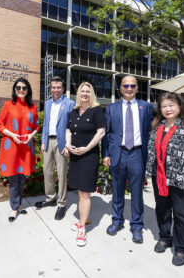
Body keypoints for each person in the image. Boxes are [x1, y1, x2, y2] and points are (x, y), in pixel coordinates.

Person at [145, 92, 184, 266]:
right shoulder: (157, 126)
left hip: (181, 179)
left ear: (179, 106)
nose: (168, 109)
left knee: (182, 215)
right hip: (160, 177)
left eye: (171, 105)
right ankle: (165, 237)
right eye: (164, 106)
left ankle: (182, 248)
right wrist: (149, 172)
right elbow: (151, 152)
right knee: (162, 210)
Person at [102, 75, 153, 243]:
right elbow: (107, 133)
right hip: (118, 154)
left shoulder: (146, 107)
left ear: (137, 88)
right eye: (126, 86)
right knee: (117, 191)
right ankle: (117, 221)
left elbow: (151, 132)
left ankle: (137, 226)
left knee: (137, 193)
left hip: (137, 154)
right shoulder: (111, 108)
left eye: (132, 86)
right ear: (121, 88)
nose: (129, 89)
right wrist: (106, 154)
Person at [66, 82, 106, 247]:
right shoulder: (74, 111)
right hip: (75, 156)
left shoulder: (97, 110)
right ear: (78, 93)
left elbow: (101, 132)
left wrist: (87, 148)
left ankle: (82, 228)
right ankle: (86, 218)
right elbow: (68, 130)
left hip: (89, 156)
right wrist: (68, 145)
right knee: (79, 189)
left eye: (88, 91)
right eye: (82, 91)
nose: (84, 94)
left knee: (85, 193)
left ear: (92, 94)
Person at [0, 78, 39, 222]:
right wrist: (13, 135)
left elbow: (36, 127)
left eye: (24, 88)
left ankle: (18, 204)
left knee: (22, 178)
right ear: (14, 89)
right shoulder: (8, 105)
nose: (21, 90)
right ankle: (14, 208)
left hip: (26, 147)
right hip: (12, 147)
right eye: (18, 87)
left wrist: (30, 136)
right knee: (14, 179)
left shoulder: (32, 107)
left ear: (28, 90)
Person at [34, 76, 75, 220]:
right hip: (48, 141)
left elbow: (72, 126)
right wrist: (43, 140)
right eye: (53, 87)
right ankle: (50, 197)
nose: (55, 90)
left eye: (58, 87)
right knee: (47, 170)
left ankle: (61, 204)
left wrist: (68, 145)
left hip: (62, 142)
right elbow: (46, 123)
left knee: (62, 173)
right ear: (50, 88)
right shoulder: (48, 103)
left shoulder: (70, 103)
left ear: (63, 89)